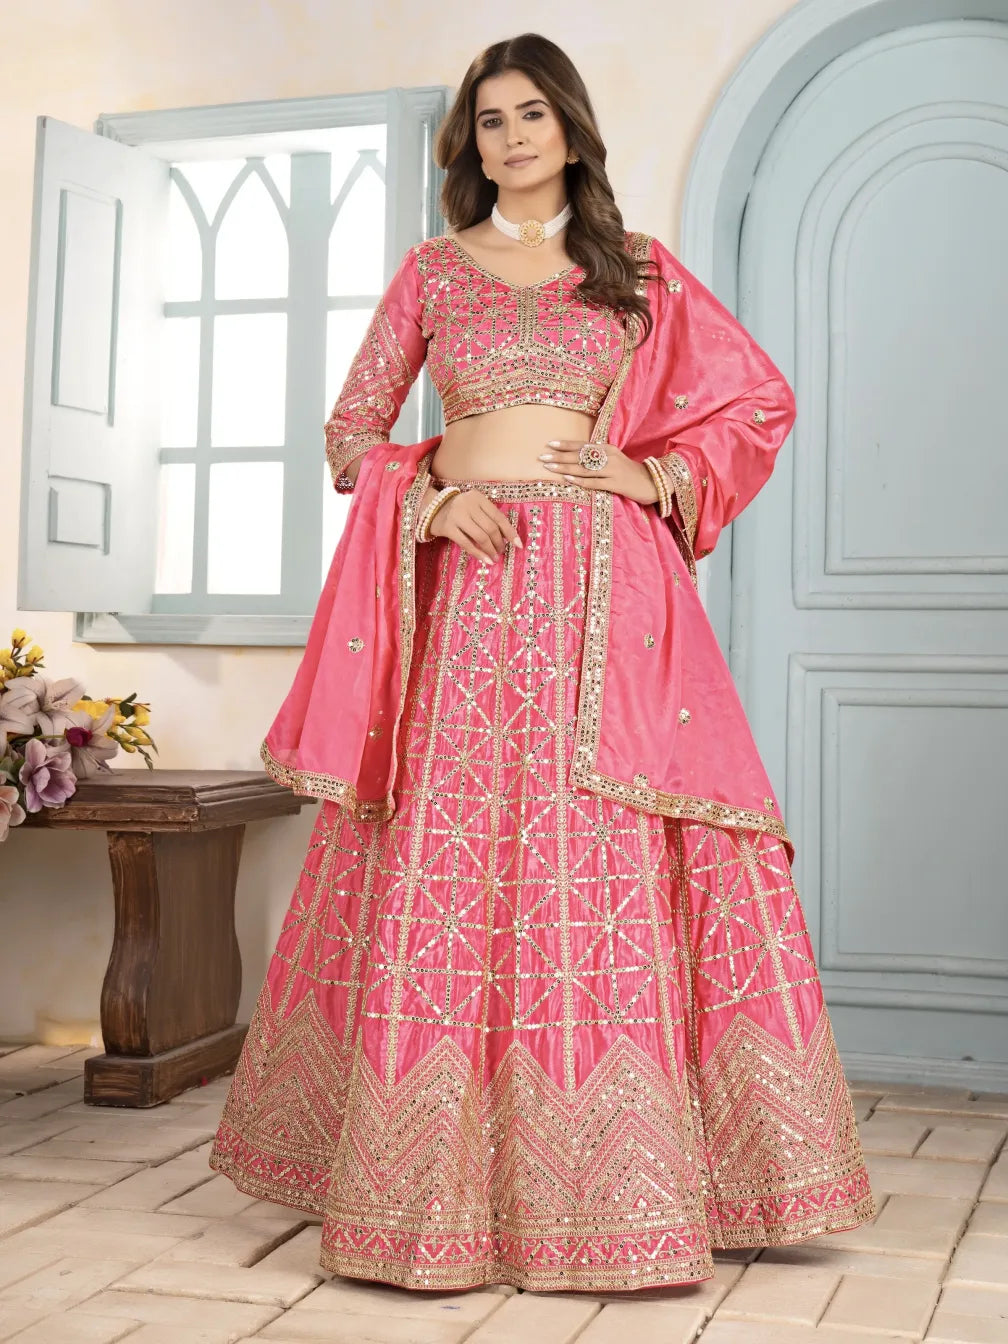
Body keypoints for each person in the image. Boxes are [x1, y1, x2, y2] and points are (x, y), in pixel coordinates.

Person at [209, 32, 874, 1293]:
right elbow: (355, 432)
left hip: (608, 601)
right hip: (471, 590)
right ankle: (430, 1192)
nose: (511, 137)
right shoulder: (430, 274)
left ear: (569, 126)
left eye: (531, 115)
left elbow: (756, 403)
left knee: (592, 852)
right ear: (469, 142)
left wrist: (655, 474)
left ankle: (619, 1186)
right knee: (455, 850)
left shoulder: (634, 274)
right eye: (489, 120)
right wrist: (426, 494)